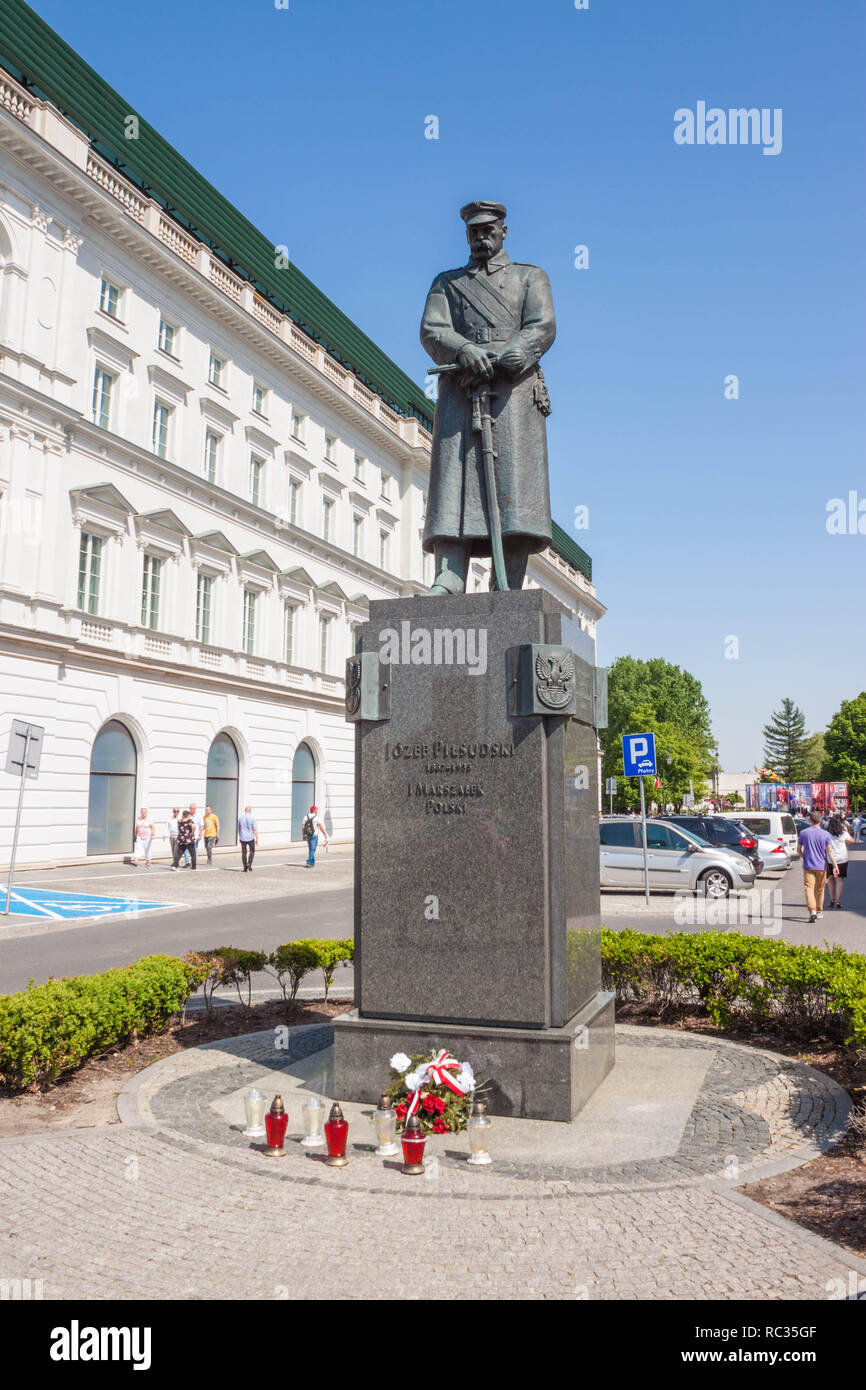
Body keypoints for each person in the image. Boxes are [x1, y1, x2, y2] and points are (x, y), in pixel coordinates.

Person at [420, 201, 556, 593]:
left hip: (512, 392)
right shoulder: (447, 283)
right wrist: (462, 350)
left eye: (488, 230)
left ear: (503, 231)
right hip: (462, 387)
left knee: (515, 486)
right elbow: (432, 329)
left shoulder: (530, 277)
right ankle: (449, 575)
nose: (481, 237)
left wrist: (519, 350)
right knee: (453, 481)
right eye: (473, 231)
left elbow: (542, 324)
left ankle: (507, 582)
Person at [796, 811, 837, 923]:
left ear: (810, 820)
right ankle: (819, 911)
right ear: (820, 820)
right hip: (821, 866)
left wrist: (804, 856)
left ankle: (812, 910)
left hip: (808, 865)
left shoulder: (804, 833)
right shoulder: (826, 834)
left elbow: (798, 849)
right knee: (820, 889)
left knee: (808, 888)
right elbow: (830, 852)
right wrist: (835, 865)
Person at [825, 814, 853, 910]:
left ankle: (832, 900)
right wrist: (846, 831)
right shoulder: (843, 833)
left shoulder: (827, 834)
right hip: (842, 859)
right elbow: (851, 841)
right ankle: (838, 901)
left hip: (830, 859)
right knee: (840, 880)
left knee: (831, 879)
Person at [238, 805, 258, 872]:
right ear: (250, 811)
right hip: (250, 837)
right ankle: (249, 863)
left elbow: (239, 829)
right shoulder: (252, 818)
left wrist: (239, 836)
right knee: (252, 851)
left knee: (244, 853)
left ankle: (245, 868)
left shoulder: (240, 818)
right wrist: (257, 838)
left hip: (243, 837)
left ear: (245, 811)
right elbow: (254, 829)